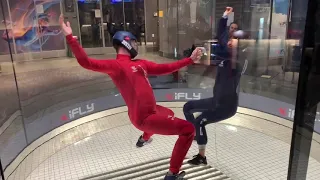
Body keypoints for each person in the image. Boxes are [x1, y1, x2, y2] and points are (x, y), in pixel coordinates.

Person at [59, 15, 203, 180]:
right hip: (143, 118)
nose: (136, 46)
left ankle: (144, 138)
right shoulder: (116, 66)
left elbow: (165, 68)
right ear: (126, 41)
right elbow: (86, 62)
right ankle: (172, 174)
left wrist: (189, 60)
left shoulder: (140, 63)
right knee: (187, 130)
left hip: (152, 111)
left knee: (168, 112)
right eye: (134, 42)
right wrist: (71, 38)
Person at [182, 7, 244, 165]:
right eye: (230, 37)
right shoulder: (225, 51)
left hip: (227, 106)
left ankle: (201, 157)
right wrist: (224, 16)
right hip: (216, 100)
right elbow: (221, 34)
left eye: (235, 38)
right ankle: (196, 133)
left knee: (201, 121)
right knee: (188, 107)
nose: (230, 40)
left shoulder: (237, 62)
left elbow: (231, 48)